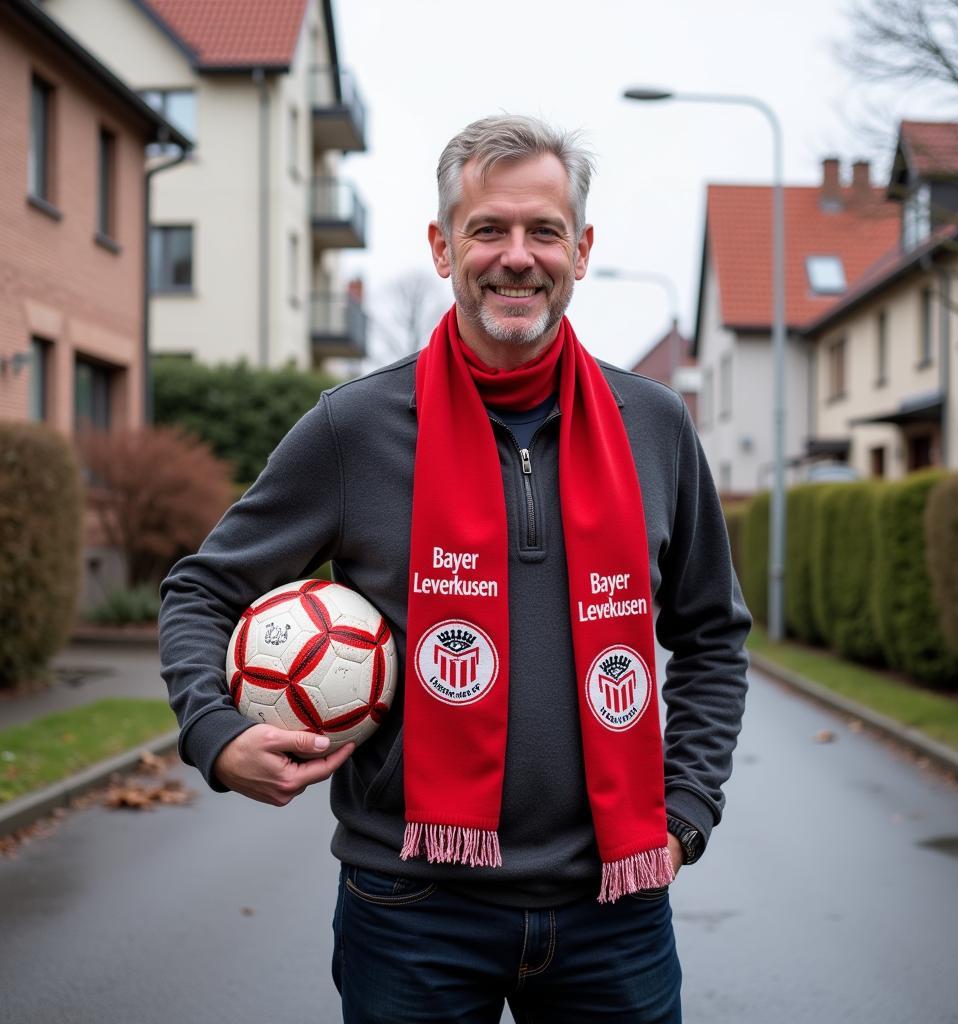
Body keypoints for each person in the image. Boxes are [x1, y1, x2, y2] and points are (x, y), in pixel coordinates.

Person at [160, 114, 750, 1024]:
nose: (518, 257)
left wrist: (686, 811)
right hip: (411, 911)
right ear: (443, 248)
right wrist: (214, 733)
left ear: (581, 250)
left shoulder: (657, 426)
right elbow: (203, 589)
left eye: (544, 231)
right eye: (489, 230)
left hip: (617, 907)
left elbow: (713, 632)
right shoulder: (353, 429)